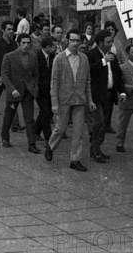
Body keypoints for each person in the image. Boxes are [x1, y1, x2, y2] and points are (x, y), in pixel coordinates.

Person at [47, 29, 96, 171]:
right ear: (67, 41)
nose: (75, 43)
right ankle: (50, 146)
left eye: (77, 41)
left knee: (79, 132)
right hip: (64, 100)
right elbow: (54, 82)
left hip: (80, 100)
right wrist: (54, 103)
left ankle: (75, 159)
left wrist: (90, 100)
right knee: (60, 128)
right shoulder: (59, 59)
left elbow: (87, 81)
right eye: (72, 40)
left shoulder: (84, 58)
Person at [86, 29, 126, 163]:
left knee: (104, 124)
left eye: (111, 41)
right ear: (100, 43)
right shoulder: (91, 55)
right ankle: (95, 148)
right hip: (96, 95)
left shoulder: (112, 56)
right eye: (108, 42)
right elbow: (89, 70)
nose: (110, 44)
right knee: (99, 121)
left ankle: (96, 149)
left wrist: (122, 91)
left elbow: (118, 76)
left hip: (109, 95)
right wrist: (104, 61)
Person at [0, 33, 40, 152]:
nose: (26, 45)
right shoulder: (9, 56)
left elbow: (36, 73)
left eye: (28, 43)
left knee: (29, 118)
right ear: (18, 43)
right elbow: (5, 75)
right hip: (14, 92)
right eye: (23, 43)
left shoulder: (33, 56)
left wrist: (34, 85)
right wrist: (12, 89)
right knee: (9, 115)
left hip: (28, 91)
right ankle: (5, 137)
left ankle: (32, 144)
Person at [33, 36, 58, 160]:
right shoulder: (36, 57)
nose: (56, 49)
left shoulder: (54, 58)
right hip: (40, 90)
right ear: (47, 47)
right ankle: (48, 138)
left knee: (46, 113)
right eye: (54, 46)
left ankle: (35, 131)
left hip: (50, 90)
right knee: (45, 112)